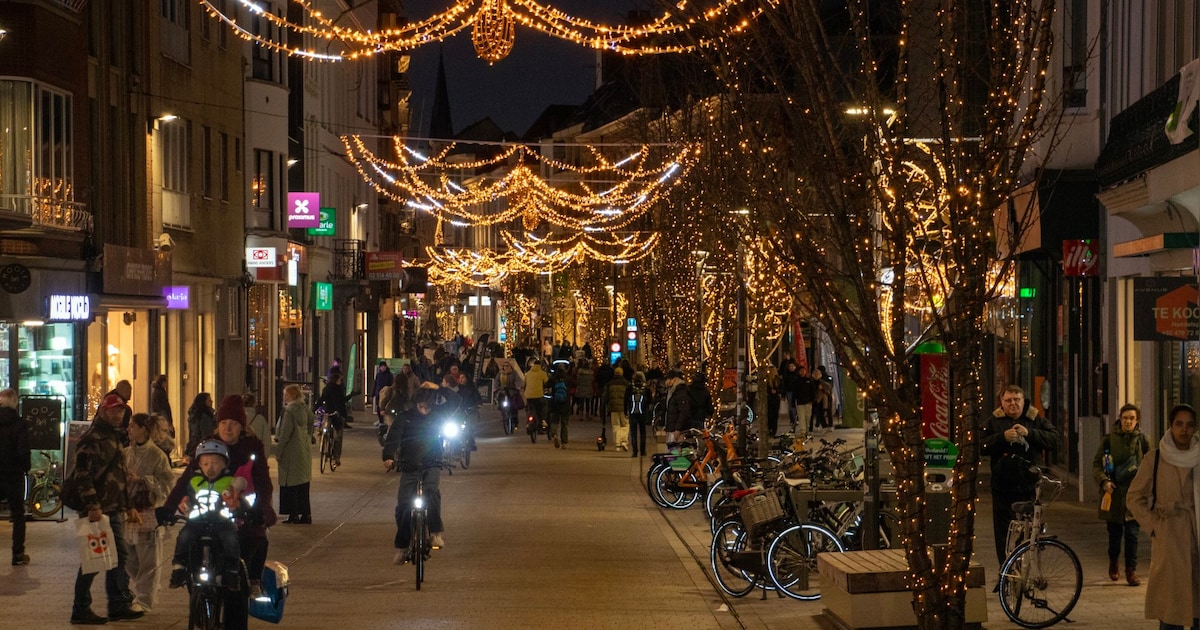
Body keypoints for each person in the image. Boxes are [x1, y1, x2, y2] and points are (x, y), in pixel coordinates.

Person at [163, 394, 275, 619]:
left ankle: (243, 586)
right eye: (223, 423)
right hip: (206, 514)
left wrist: (263, 508)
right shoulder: (207, 445)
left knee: (251, 546)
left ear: (242, 426)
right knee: (191, 547)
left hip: (240, 515)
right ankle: (197, 594)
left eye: (233, 423)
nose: (228, 428)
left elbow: (263, 483)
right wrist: (170, 506)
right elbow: (186, 480)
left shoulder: (251, 446)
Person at [69, 393, 144, 625]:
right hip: (99, 509)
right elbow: (82, 475)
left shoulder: (114, 436)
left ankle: (117, 604)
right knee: (95, 559)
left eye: (121, 410)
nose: (118, 414)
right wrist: (92, 505)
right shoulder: (92, 439)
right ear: (103, 411)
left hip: (112, 508)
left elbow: (119, 475)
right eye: (113, 410)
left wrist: (129, 506)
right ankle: (82, 608)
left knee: (115, 558)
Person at [1128, 403, 1200, 630]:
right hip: (1169, 536)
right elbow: (1134, 497)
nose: (1184, 430)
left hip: (1197, 535)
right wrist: (1153, 526)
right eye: (1179, 424)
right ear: (1170, 426)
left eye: (1189, 425)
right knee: (1171, 607)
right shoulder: (1155, 458)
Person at [980, 384, 1059, 566]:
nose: (1013, 404)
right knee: (1003, 533)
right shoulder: (993, 421)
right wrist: (1001, 438)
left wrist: (1030, 433)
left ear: (1024, 401)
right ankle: (1006, 571)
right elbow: (979, 445)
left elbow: (1054, 439)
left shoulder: (1035, 419)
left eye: (1017, 400)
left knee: (1030, 531)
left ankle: (1028, 568)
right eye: (1008, 401)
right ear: (1002, 403)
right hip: (1003, 487)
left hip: (1029, 487)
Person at [167, 439, 245, 590]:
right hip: (197, 522)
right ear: (200, 465)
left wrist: (240, 508)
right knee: (184, 536)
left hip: (222, 522)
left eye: (215, 463)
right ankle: (179, 567)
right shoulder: (194, 481)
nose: (210, 467)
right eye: (206, 463)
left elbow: (238, 500)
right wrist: (182, 506)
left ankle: (231, 571)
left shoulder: (229, 481)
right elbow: (187, 498)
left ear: (224, 464)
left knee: (231, 538)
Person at [383, 388, 448, 562]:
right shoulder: (405, 417)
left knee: (431, 491)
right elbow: (394, 437)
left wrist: (441, 387)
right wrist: (388, 456)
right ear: (416, 404)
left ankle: (435, 533)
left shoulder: (437, 417)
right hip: (409, 465)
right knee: (403, 505)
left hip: (432, 463)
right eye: (421, 406)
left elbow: (455, 402)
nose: (424, 410)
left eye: (427, 406)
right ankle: (403, 546)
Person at [1092, 403, 1150, 585]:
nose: (1128, 421)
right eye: (1125, 418)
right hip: (1114, 495)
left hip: (1134, 496)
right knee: (1115, 536)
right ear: (1120, 419)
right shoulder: (1109, 440)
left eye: (1132, 418)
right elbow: (1097, 464)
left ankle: (1131, 571)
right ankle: (1113, 562)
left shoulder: (1143, 440)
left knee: (1132, 536)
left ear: (1137, 420)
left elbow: (1152, 464)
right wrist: (1104, 481)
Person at [122, 413, 174, 613]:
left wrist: (143, 480)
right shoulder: (125, 453)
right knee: (129, 557)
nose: (129, 430)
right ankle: (144, 590)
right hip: (128, 512)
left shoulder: (157, 455)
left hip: (149, 513)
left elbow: (167, 483)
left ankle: (144, 599)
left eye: (133, 426)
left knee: (148, 558)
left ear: (143, 429)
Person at [0, 388, 30, 566]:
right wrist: (25, 467)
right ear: (14, 402)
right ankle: (18, 553)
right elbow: (23, 450)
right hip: (13, 474)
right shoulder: (19, 424)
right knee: (18, 514)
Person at [276, 384, 314, 524]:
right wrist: (307, 438)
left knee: (289, 483)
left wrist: (279, 451)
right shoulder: (305, 408)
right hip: (303, 450)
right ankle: (305, 514)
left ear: (291, 395)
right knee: (303, 483)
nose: (285, 397)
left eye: (286, 395)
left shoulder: (289, 412)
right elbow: (311, 424)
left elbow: (285, 434)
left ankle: (293, 514)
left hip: (290, 452)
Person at [316, 371, 352, 466]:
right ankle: (336, 457)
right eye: (340, 380)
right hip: (337, 414)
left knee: (325, 430)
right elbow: (342, 401)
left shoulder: (327, 389)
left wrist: (315, 408)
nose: (341, 381)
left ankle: (326, 447)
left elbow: (321, 399)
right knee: (338, 437)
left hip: (329, 413)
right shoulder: (338, 390)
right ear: (336, 380)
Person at [603, 367, 630, 451]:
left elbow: (606, 397)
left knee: (615, 425)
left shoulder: (610, 384)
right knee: (625, 425)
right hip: (624, 408)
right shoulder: (626, 384)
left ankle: (617, 444)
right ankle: (624, 441)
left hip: (613, 407)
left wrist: (604, 406)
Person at [663, 370, 692, 445]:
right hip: (672, 427)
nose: (666, 382)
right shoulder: (672, 391)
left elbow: (683, 411)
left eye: (668, 379)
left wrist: (678, 429)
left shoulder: (680, 392)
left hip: (676, 429)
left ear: (674, 379)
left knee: (675, 451)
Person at [547, 367, 573, 448]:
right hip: (565, 405)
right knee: (564, 423)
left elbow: (546, 385)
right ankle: (564, 442)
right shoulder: (567, 378)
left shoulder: (553, 379)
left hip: (555, 404)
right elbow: (575, 383)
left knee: (554, 421)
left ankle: (554, 434)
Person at [626, 372, 650, 457]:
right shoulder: (646, 388)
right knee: (643, 432)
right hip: (642, 413)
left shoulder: (630, 387)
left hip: (633, 413)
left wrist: (626, 411)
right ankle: (643, 450)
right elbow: (649, 400)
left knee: (633, 433)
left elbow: (625, 400)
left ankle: (635, 451)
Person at [185, 392, 216, 460]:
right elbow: (207, 434)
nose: (212, 401)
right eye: (209, 400)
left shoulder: (194, 416)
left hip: (193, 446)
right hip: (203, 448)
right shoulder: (205, 417)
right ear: (203, 402)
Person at [523, 360, 550, 436]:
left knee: (529, 409)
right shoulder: (542, 373)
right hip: (539, 396)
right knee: (544, 405)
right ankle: (543, 421)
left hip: (528, 396)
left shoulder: (528, 374)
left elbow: (524, 385)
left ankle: (528, 423)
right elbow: (547, 383)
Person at [150, 374, 174, 444]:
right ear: (163, 382)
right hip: (162, 417)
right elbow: (165, 407)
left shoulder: (155, 392)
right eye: (166, 382)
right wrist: (169, 421)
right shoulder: (161, 393)